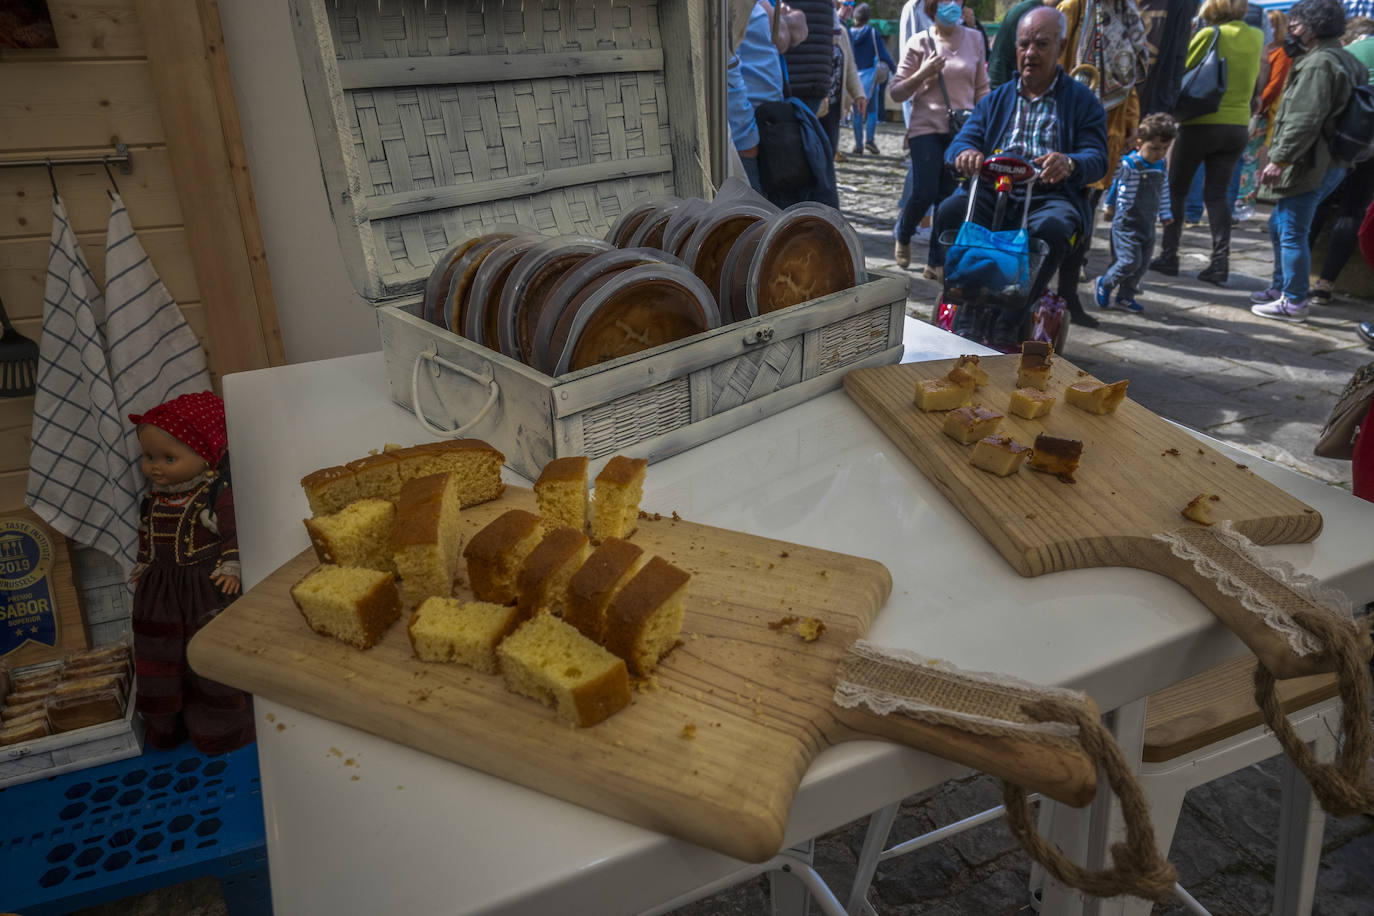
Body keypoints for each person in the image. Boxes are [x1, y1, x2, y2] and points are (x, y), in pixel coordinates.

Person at [935, 5, 1109, 348]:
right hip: (993, 187)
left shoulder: (1082, 101)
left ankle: (1015, 314)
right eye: (1024, 45)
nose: (1030, 53)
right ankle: (967, 304)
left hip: (1048, 194)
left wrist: (1070, 163)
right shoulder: (996, 99)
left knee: (1053, 229)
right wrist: (966, 153)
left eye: (1041, 44)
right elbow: (962, 141)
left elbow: (1097, 158)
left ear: (1059, 48)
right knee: (952, 212)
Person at [129, 391, 254, 753]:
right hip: (159, 592)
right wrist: (143, 563)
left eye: (169, 458)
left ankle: (220, 726)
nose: (155, 467)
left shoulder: (212, 496)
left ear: (205, 457)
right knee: (162, 653)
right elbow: (146, 534)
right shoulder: (154, 498)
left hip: (203, 588)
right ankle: (165, 725)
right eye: (148, 457)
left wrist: (232, 565)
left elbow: (232, 532)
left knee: (206, 654)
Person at [1251, 0, 1364, 321]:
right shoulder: (1343, 58)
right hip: (1332, 161)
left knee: (1290, 229)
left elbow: (1305, 118)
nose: (1291, 31)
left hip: (1311, 161)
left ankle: (1294, 300)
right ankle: (1281, 288)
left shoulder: (1318, 64)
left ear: (1312, 28)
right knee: (1280, 225)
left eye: (1296, 24)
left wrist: (1280, 160)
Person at [1149, 0, 1263, 285]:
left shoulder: (1210, 35)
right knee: (1218, 196)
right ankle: (1220, 262)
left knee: (1177, 190)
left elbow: (1182, 68)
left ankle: (1169, 256)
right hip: (1237, 125)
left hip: (1201, 122)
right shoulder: (1256, 36)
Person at [889, 0, 989, 271]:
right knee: (924, 191)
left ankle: (936, 262)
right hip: (926, 128)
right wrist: (923, 73)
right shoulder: (919, 42)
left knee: (948, 199)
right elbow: (896, 91)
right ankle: (904, 232)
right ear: (932, 8)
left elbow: (981, 87)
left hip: (962, 131)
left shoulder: (975, 38)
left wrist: (988, 122)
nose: (952, 5)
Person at [1306, 16, 1374, 301]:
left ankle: (1291, 279)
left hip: (1344, 138)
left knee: (1320, 202)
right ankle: (1325, 284)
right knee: (1352, 210)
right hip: (1371, 146)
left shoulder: (1354, 50)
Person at [1095, 113, 1178, 312]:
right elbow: (1114, 178)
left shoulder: (1161, 165)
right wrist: (1110, 205)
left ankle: (1125, 296)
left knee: (1142, 265)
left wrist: (1165, 213)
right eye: (1155, 148)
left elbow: (1163, 190)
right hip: (1127, 222)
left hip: (1148, 222)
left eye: (1165, 149)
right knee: (1130, 260)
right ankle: (1105, 283)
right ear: (1141, 142)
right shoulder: (1129, 164)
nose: (1159, 153)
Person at [849, 3, 897, 155]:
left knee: (857, 112)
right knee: (871, 111)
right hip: (870, 75)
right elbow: (883, 54)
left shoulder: (848, 33)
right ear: (868, 18)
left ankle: (858, 146)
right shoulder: (872, 33)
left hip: (854, 77)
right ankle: (869, 140)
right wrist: (895, 69)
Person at [784, 0, 838, 114]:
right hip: (817, 81)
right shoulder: (829, 3)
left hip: (789, 79)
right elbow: (836, 38)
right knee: (807, 126)